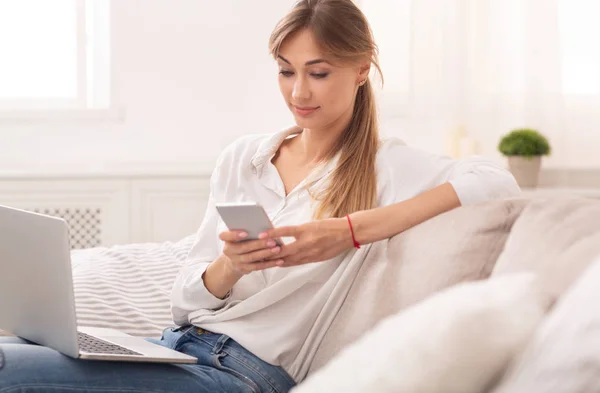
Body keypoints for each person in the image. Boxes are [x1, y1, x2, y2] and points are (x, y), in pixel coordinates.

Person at [0, 0, 520, 392]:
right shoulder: (244, 158)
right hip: (177, 348)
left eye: (318, 73)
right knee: (18, 345)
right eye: (286, 71)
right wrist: (230, 266)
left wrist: (350, 229)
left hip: (244, 375)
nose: (299, 93)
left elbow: (495, 183)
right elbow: (187, 300)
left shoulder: (388, 165)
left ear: (362, 71)